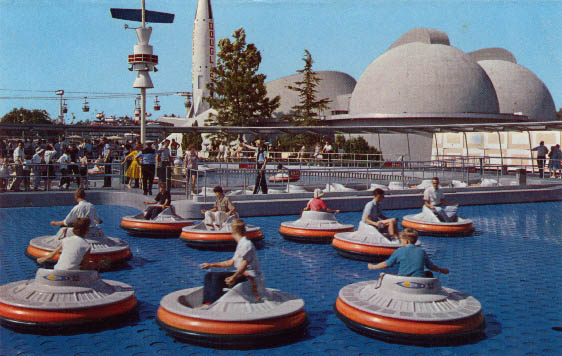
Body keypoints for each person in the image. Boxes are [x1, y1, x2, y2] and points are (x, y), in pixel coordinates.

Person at [200, 219, 264, 305]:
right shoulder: (241, 243)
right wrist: (211, 265)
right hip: (242, 274)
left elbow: (244, 265)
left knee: (216, 277)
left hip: (250, 277)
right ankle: (207, 303)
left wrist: (233, 277)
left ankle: (214, 304)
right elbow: (230, 262)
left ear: (233, 231)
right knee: (209, 275)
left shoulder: (246, 244)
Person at [367, 228, 448, 277]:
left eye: (401, 240)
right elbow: (431, 267)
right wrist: (441, 270)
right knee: (429, 274)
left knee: (384, 274)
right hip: (419, 281)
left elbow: (386, 264)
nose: (400, 242)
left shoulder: (399, 251)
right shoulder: (422, 251)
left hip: (404, 281)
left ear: (407, 241)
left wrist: (373, 267)